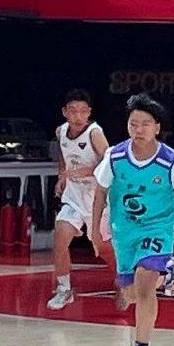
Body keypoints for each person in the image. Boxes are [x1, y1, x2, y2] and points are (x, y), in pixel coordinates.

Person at [92, 94, 174, 346]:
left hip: (156, 229)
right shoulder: (115, 156)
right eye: (133, 124)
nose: (138, 130)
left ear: (157, 127)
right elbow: (100, 192)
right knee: (130, 294)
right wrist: (94, 230)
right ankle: (168, 271)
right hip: (124, 232)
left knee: (144, 282)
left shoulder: (170, 161)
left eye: (145, 124)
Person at [47, 89, 115, 309]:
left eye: (83, 111)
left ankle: (125, 279)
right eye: (73, 111)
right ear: (64, 112)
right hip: (74, 198)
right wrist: (62, 177)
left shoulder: (95, 133)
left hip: (98, 200)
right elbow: (63, 157)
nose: (78, 116)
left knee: (103, 249)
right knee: (60, 236)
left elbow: (110, 164)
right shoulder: (61, 132)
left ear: (89, 112)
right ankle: (64, 289)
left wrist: (85, 172)